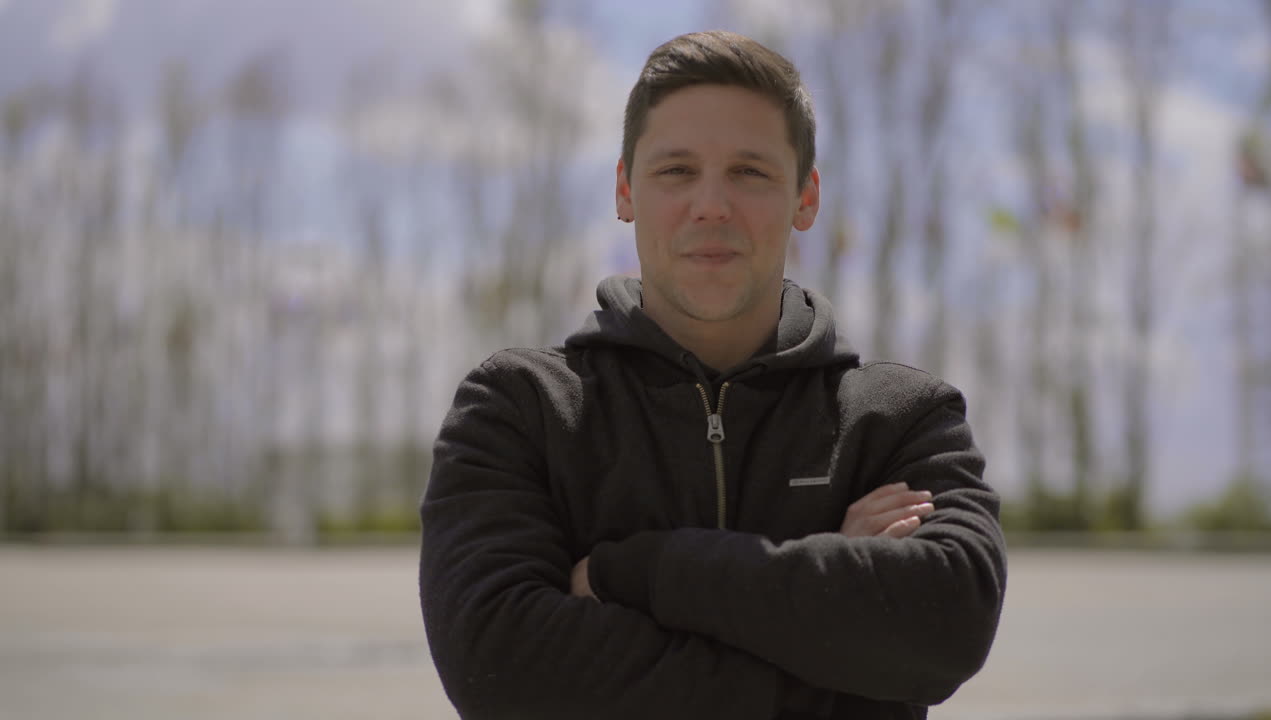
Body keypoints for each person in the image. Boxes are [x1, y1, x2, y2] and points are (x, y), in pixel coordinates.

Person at [418, 30, 1006, 720]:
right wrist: (829, 607)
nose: (712, 205)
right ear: (625, 190)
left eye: (749, 172)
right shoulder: (519, 409)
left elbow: (948, 623)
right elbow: (501, 671)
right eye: (677, 170)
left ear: (806, 197)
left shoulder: (902, 417)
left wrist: (632, 571)